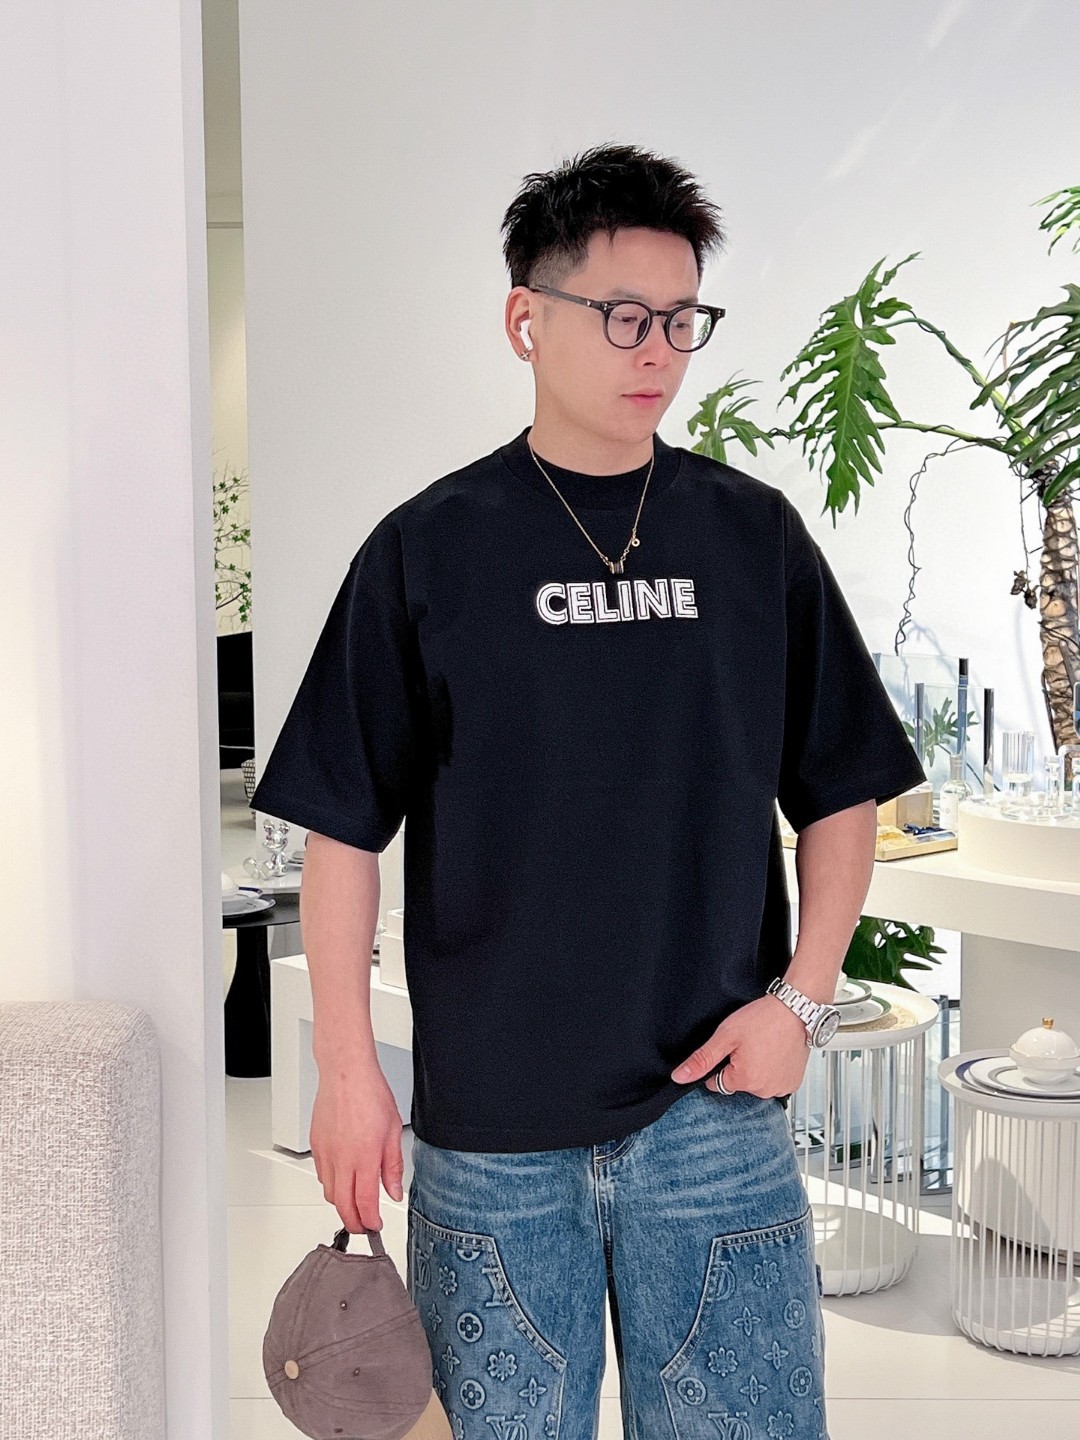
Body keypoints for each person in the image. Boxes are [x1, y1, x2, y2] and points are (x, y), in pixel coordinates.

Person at [251, 142, 927, 1440]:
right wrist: (345, 1069)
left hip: (715, 1118)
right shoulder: (429, 548)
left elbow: (843, 788)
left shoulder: (752, 538)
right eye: (624, 315)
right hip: (494, 1137)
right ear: (527, 320)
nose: (658, 351)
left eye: (682, 319)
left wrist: (802, 998)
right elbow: (342, 823)